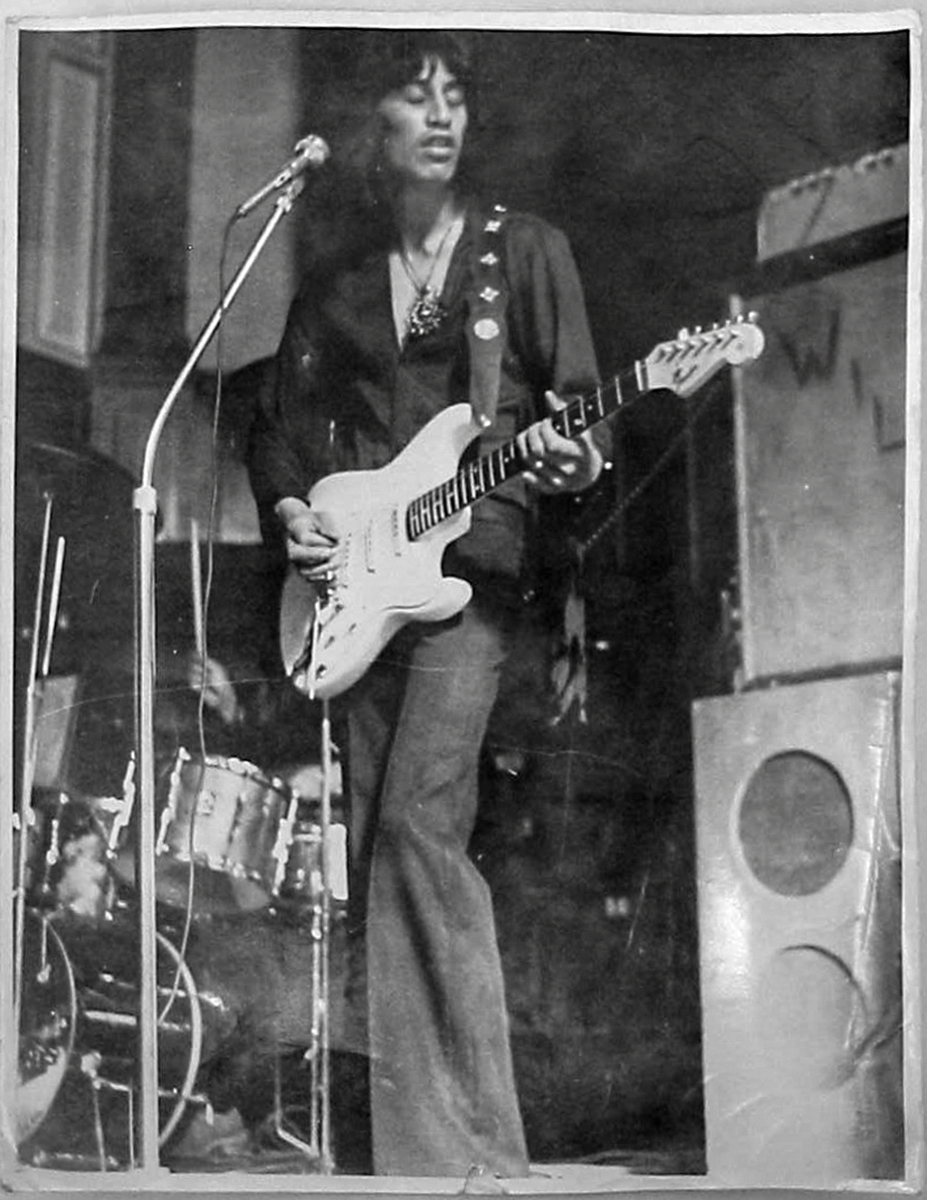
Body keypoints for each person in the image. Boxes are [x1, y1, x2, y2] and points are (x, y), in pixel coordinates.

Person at [246, 30, 610, 1179]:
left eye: (456, 94)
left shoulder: (525, 252)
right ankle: (409, 1160)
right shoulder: (339, 279)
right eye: (417, 92)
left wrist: (575, 460)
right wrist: (297, 516)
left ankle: (481, 1154)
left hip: (475, 575)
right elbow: (277, 434)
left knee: (416, 825)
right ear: (379, 125)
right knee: (374, 845)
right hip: (360, 588)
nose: (440, 113)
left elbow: (586, 413)